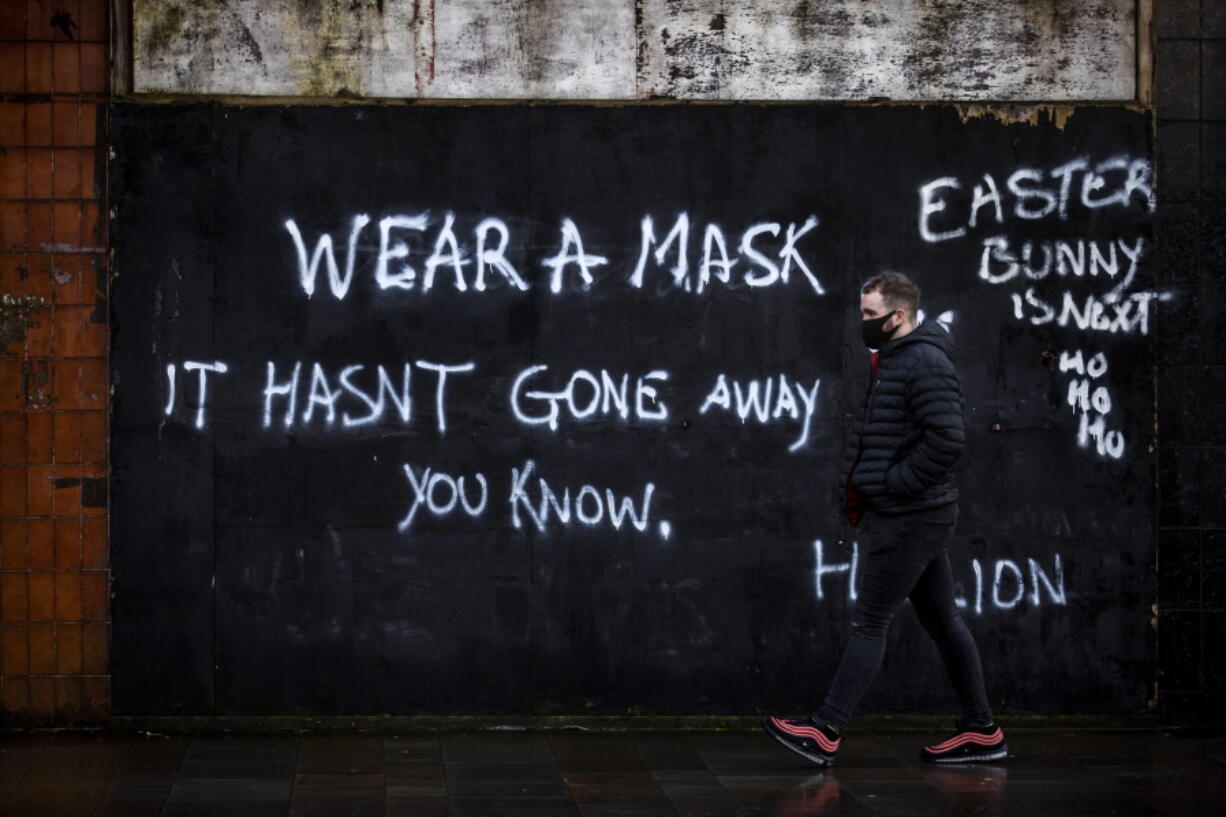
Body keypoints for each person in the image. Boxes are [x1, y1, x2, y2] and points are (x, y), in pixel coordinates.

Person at [762, 271, 1007, 766]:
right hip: (919, 514)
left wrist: (891, 484)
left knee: (870, 621)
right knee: (944, 622)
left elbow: (948, 439)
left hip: (911, 515)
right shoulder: (899, 358)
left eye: (872, 315)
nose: (864, 323)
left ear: (899, 315)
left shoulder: (923, 361)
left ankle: (825, 729)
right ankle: (982, 731)